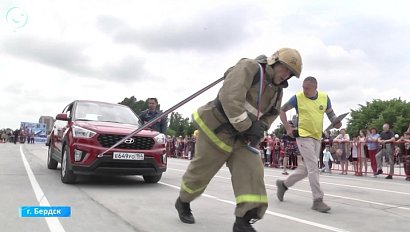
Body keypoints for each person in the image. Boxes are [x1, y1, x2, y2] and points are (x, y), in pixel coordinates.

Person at [175, 48, 302, 231]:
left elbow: (272, 113)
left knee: (252, 172)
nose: (287, 75)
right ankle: (183, 201)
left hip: (242, 138)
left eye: (291, 73)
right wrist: (248, 127)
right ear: (274, 61)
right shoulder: (249, 67)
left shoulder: (277, 90)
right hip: (216, 130)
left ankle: (243, 220)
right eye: (286, 69)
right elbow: (230, 98)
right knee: (200, 174)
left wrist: (260, 129)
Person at [276, 76, 342, 213]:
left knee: (305, 169)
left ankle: (283, 185)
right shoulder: (297, 98)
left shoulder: (324, 97)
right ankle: (318, 200)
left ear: (315, 88)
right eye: (303, 87)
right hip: (303, 136)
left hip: (317, 137)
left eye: (307, 88)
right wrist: (288, 128)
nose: (304, 90)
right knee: (314, 168)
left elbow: (331, 115)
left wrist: (337, 122)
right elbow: (282, 110)